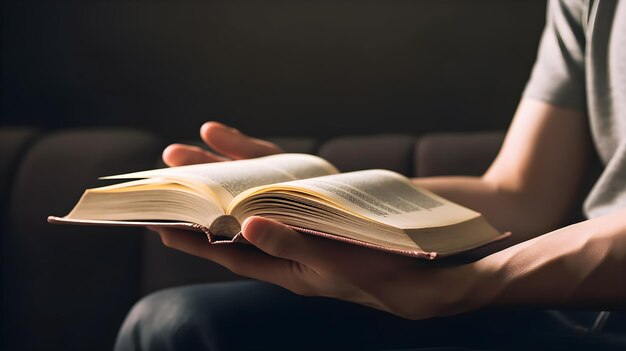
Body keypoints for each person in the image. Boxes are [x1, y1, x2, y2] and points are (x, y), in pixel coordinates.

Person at [114, 1, 626, 350]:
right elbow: (520, 194)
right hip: (569, 299)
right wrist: (326, 199)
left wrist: (460, 287)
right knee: (178, 326)